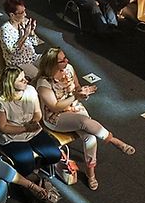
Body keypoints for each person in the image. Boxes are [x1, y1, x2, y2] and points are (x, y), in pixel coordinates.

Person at [35, 47, 134, 191]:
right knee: (84, 122)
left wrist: (82, 92)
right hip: (56, 117)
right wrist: (75, 96)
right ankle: (113, 140)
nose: (66, 61)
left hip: (75, 108)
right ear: (52, 64)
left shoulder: (69, 68)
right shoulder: (43, 83)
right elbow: (55, 106)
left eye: (65, 58)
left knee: (91, 138)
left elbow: (77, 87)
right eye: (62, 60)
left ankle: (90, 173)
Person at [0, 66, 64, 177]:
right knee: (27, 165)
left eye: (24, 77)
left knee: (55, 155)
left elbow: (38, 112)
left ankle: (37, 168)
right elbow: (3, 127)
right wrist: (25, 128)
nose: (26, 80)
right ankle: (25, 177)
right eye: (21, 80)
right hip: (12, 138)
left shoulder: (30, 90)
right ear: (10, 84)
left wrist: (34, 122)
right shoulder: (0, 102)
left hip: (33, 132)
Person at [0, 0, 44, 79]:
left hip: (32, 57)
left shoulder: (25, 22)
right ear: (12, 15)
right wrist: (25, 35)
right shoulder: (5, 30)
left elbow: (36, 43)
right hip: (19, 63)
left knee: (54, 62)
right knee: (39, 77)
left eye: (25, 11)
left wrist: (32, 32)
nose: (25, 14)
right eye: (21, 12)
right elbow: (12, 51)